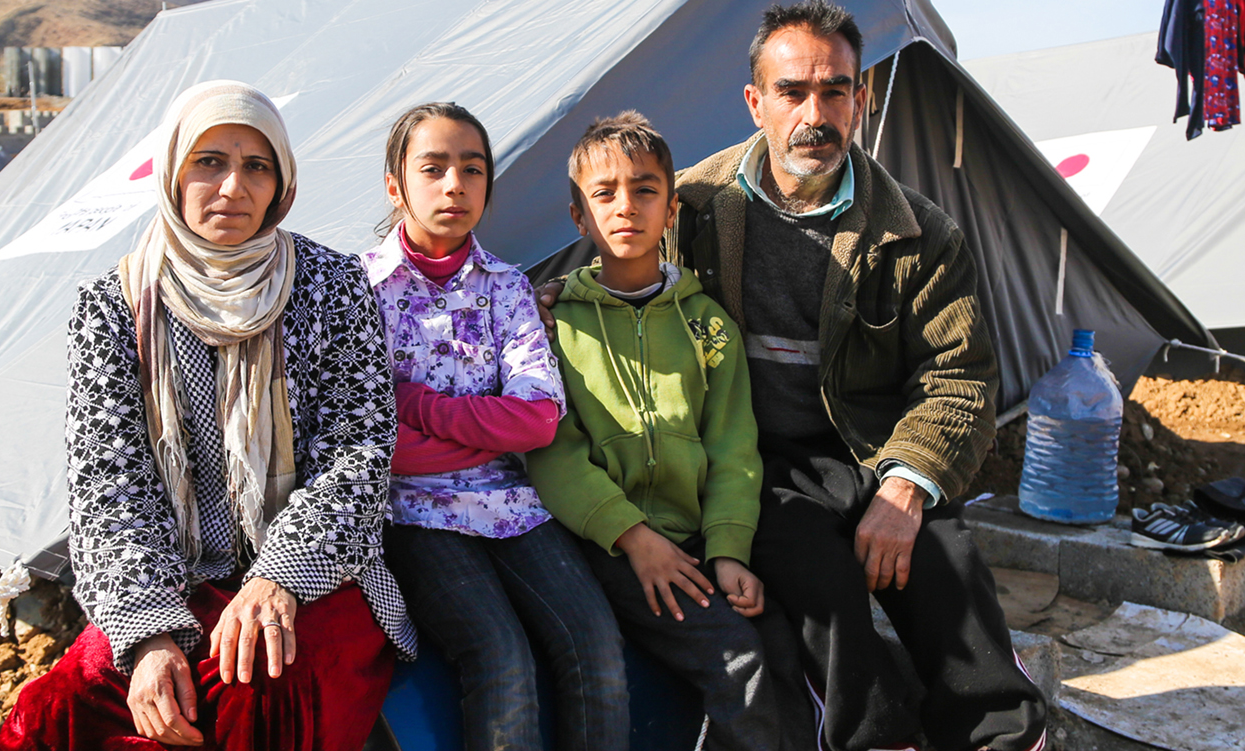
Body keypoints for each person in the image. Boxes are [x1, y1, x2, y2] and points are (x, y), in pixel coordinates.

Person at [538, 3, 1048, 749]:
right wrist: (554, 301)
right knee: (821, 594)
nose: (816, 114)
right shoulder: (699, 205)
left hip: (879, 454)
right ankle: (879, 738)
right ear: (755, 102)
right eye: (793, 91)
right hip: (760, 462)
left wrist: (906, 490)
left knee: (948, 577)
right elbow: (623, 258)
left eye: (835, 90)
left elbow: (959, 375)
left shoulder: (919, 234)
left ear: (860, 99)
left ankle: (1005, 736)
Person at [0, 80, 410, 750]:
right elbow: (110, 483)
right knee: (54, 712)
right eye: (209, 162)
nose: (232, 188)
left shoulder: (332, 285)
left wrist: (277, 576)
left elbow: (357, 449)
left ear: (281, 182)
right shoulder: (114, 306)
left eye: (256, 166)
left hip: (313, 572)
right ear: (172, 172)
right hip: (177, 575)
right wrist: (148, 633)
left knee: (264, 684)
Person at [525, 112, 816, 751]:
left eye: (644, 189)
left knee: (783, 649)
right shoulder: (547, 325)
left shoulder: (709, 325)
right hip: (607, 544)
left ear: (672, 207)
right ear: (579, 217)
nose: (625, 206)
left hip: (692, 537)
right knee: (739, 662)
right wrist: (633, 539)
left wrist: (729, 551)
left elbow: (733, 447)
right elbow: (552, 450)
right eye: (604, 194)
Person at [363, 102, 628, 751]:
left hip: (513, 504)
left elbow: (538, 418)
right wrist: (482, 428)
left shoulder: (506, 286)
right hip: (414, 517)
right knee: (501, 656)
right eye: (434, 168)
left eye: (472, 169)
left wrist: (421, 406)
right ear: (396, 185)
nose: (454, 184)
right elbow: (374, 446)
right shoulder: (358, 291)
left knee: (597, 647)